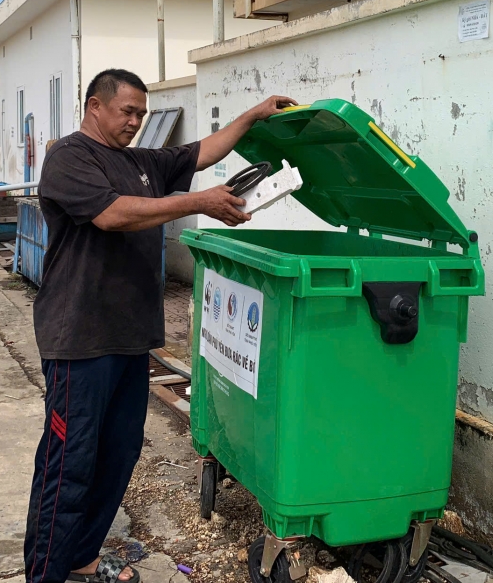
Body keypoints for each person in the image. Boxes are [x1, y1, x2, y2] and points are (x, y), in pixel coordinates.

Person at [23, 67, 295, 583]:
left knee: (118, 454)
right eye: (126, 111)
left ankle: (81, 560)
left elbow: (203, 151)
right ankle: (45, 575)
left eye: (141, 114)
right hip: (78, 340)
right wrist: (201, 203)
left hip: (129, 340)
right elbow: (113, 215)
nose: (134, 122)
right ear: (94, 106)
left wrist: (254, 116)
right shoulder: (69, 158)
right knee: (68, 464)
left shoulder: (143, 161)